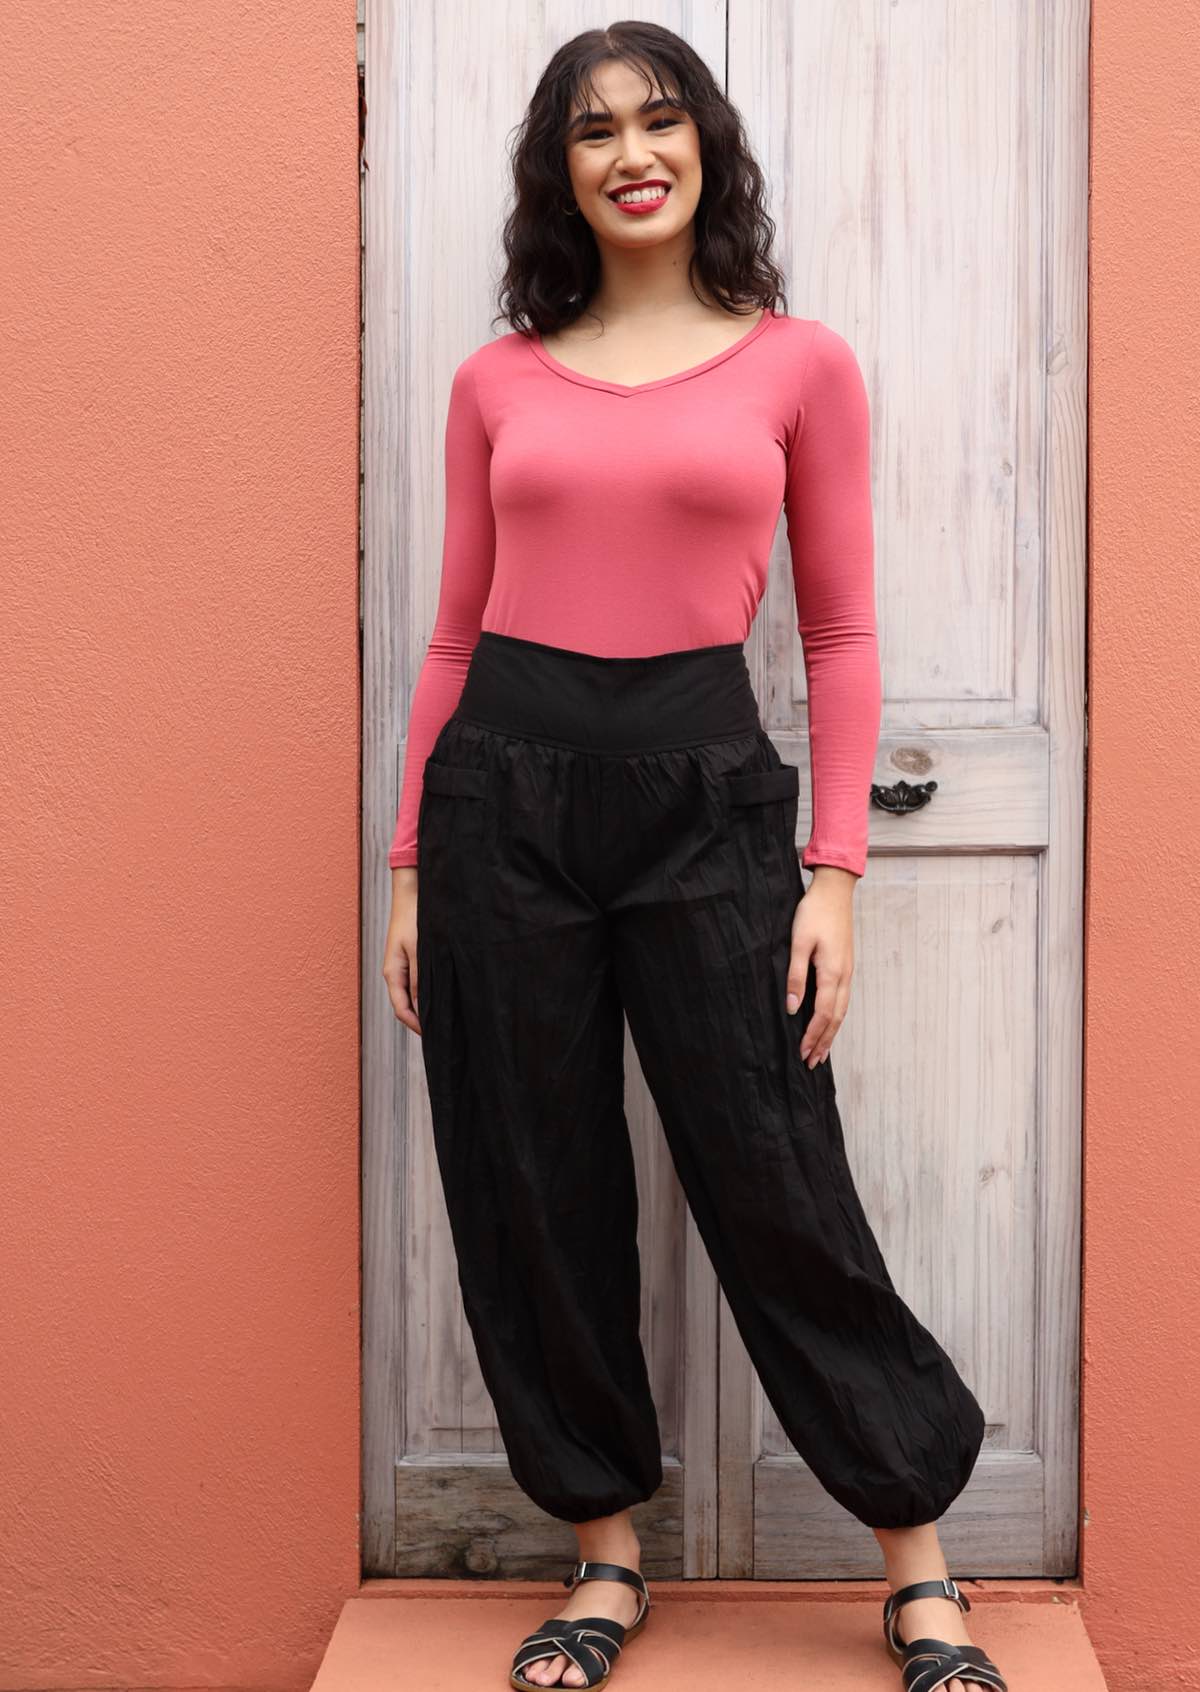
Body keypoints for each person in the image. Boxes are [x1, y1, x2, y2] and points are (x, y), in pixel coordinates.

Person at [381, 23, 1006, 1692]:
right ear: (559, 173)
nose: (630, 151)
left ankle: (921, 1569)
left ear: (706, 147)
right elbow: (450, 638)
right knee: (534, 1180)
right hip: (499, 797)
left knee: (774, 1172)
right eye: (593, 133)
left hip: (708, 801)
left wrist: (835, 871)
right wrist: (408, 865)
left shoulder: (797, 363)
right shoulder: (496, 379)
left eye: (660, 119)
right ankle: (601, 1558)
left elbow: (849, 632)